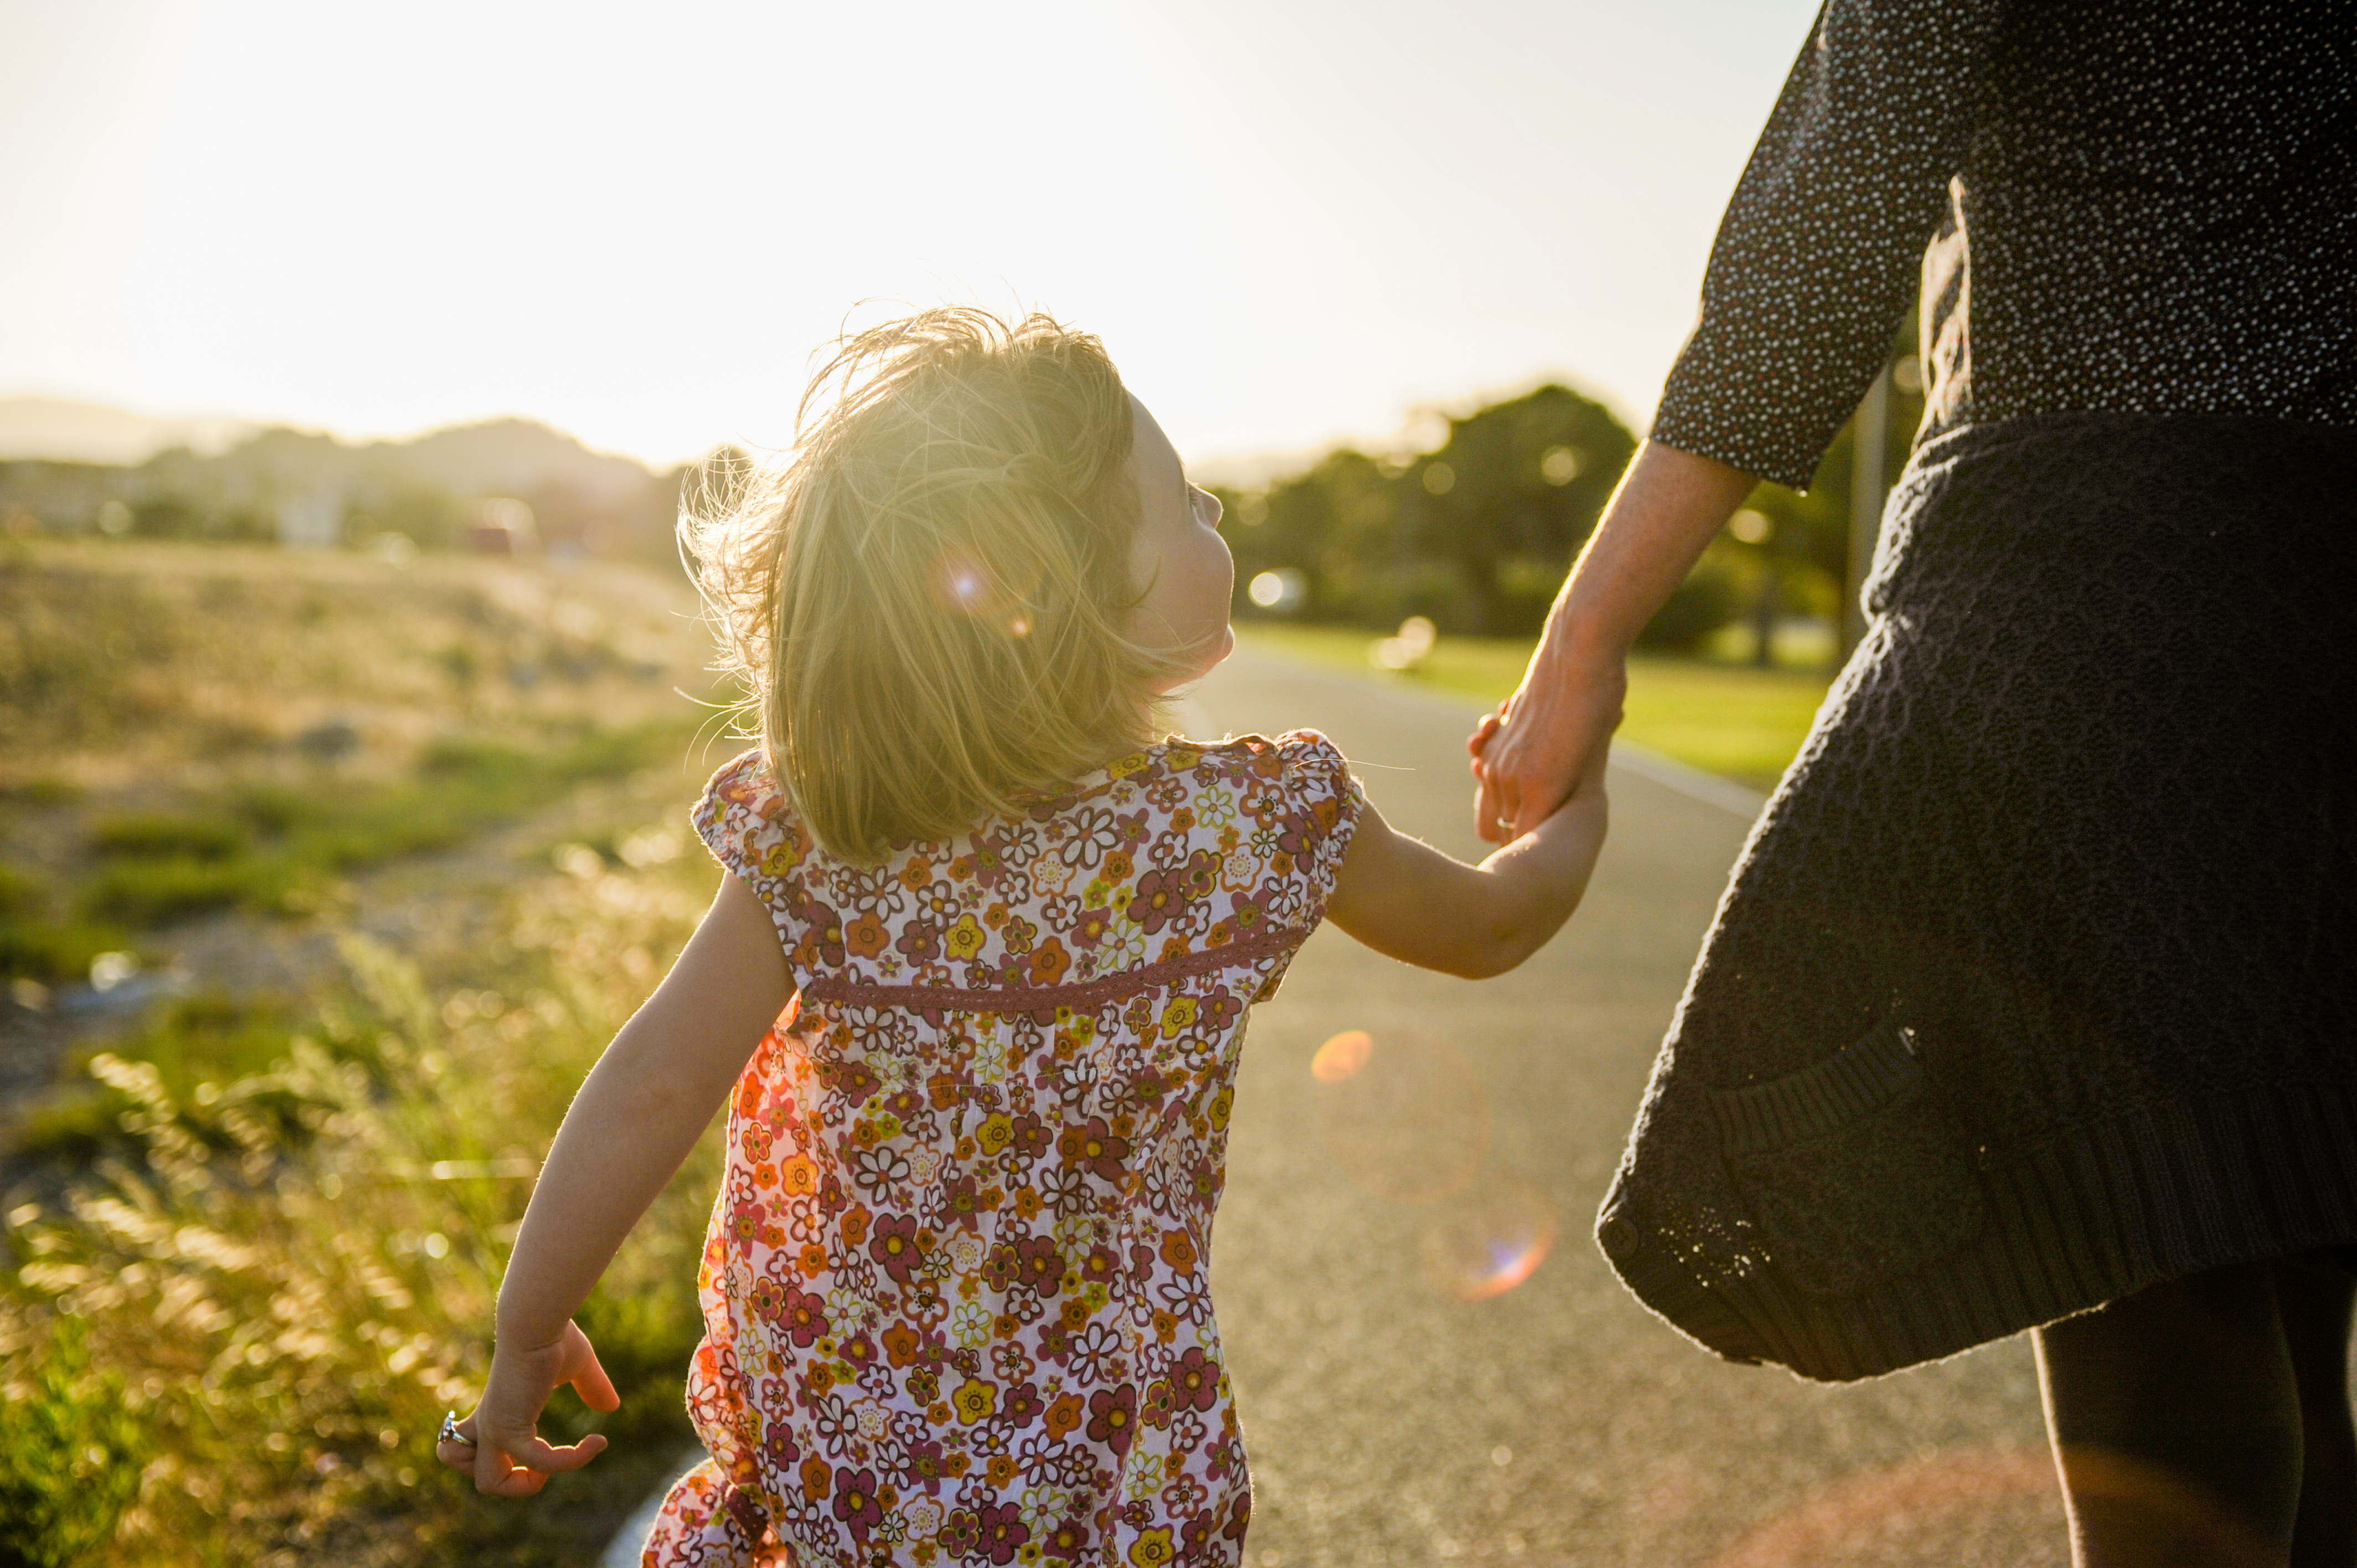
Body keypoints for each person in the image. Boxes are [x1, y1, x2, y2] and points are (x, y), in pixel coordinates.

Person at [430, 307, 1609, 1566]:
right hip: (1110, 1477)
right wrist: (1579, 790)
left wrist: (529, 1324)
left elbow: (656, 1081)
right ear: (1058, 578)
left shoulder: (831, 839)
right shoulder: (1252, 827)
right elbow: (1491, 925)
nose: (1217, 512)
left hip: (853, 1474)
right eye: (1186, 503)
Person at [1470, 2, 2356, 1562]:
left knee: (2165, 1273)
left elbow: (1825, 229)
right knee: (2302, 1235)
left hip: (2105, 607)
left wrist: (1587, 631)